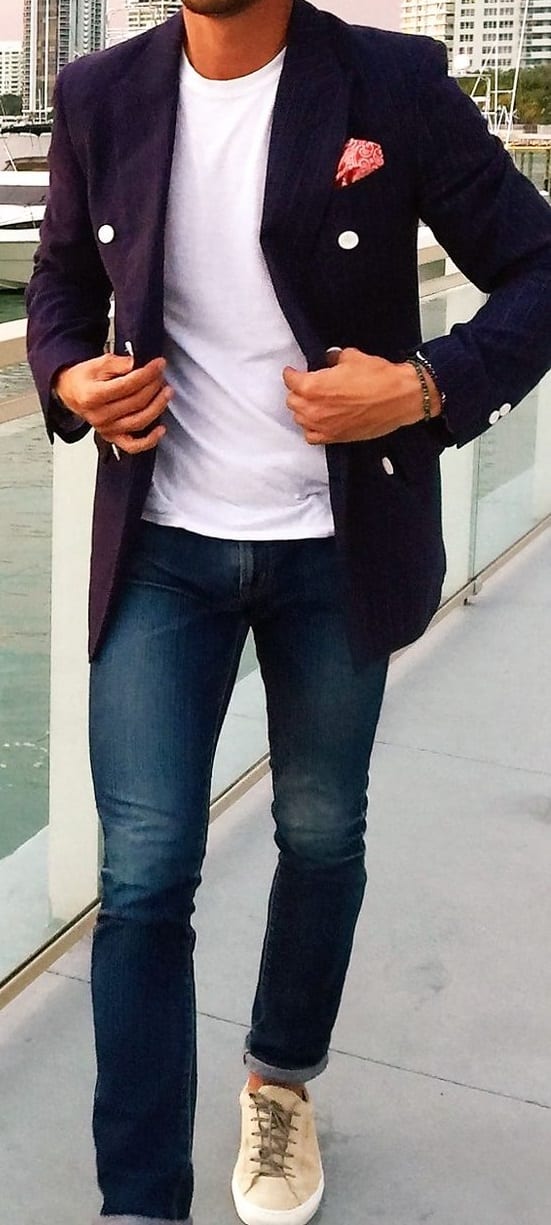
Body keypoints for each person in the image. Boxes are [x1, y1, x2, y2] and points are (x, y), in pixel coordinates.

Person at [26, 2, 551, 1224]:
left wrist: (426, 384)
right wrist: (65, 372)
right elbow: (60, 279)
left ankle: (280, 1076)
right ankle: (139, 1200)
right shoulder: (102, 92)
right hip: (161, 543)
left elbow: (537, 268)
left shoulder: (390, 81)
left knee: (318, 833)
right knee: (143, 874)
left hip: (335, 545)